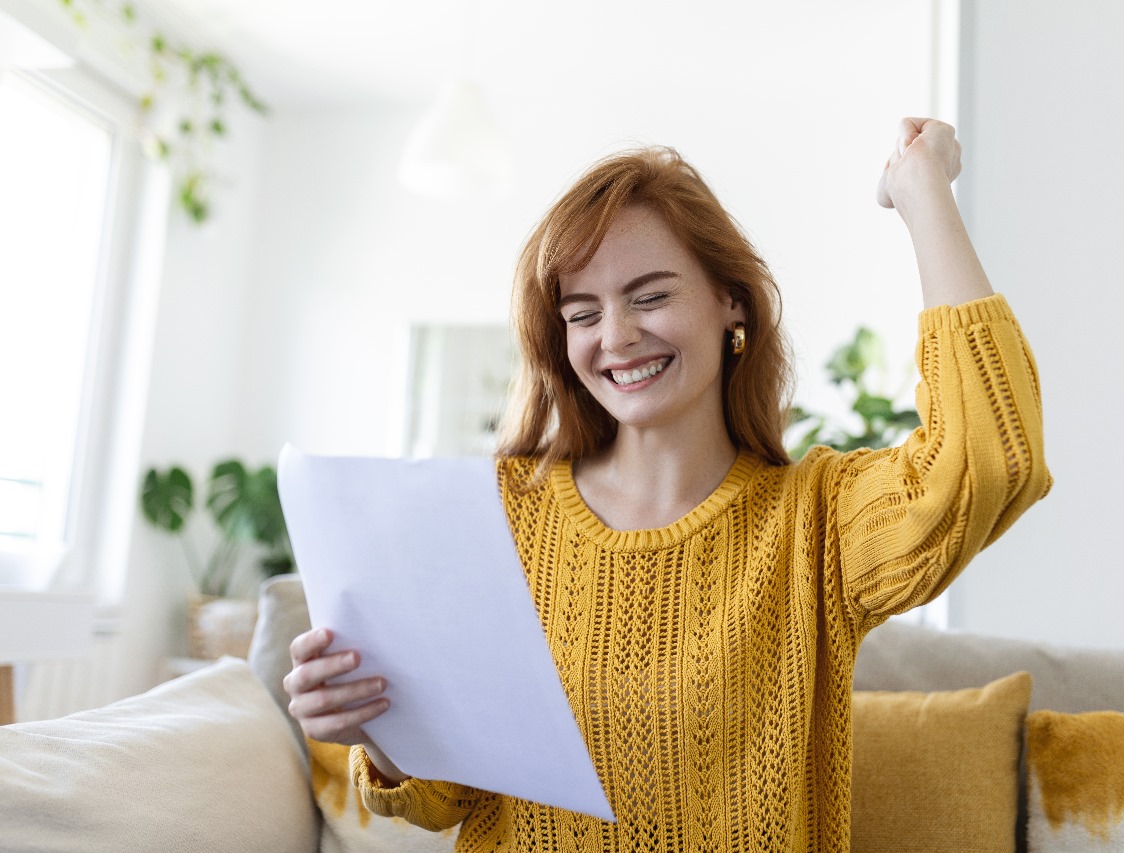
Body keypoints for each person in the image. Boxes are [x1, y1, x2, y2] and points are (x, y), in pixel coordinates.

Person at [283, 118, 1051, 851]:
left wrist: (923, 193)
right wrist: (373, 728)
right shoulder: (499, 516)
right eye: (583, 313)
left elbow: (990, 458)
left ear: (733, 302)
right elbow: (445, 799)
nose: (616, 336)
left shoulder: (814, 522)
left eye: (650, 296)